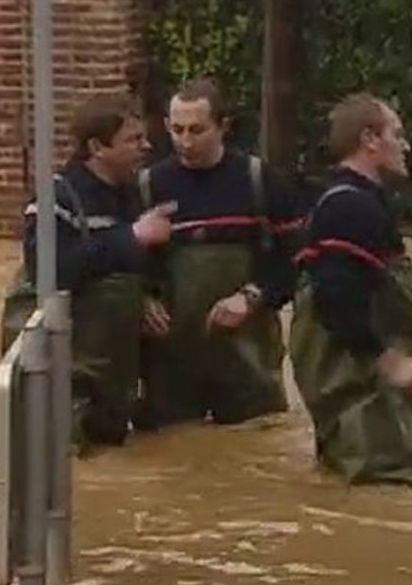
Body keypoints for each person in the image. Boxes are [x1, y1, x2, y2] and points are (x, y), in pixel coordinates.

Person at [134, 78, 305, 429]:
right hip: (171, 361)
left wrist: (253, 296)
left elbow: (298, 257)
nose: (185, 141)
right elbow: (127, 264)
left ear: (223, 126)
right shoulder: (147, 186)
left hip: (248, 357)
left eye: (197, 130)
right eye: (177, 130)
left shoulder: (260, 180)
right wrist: (143, 299)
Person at [289, 93, 412, 487]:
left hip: (359, 389)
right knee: (385, 491)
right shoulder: (350, 209)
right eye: (397, 134)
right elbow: (336, 298)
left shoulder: (362, 201)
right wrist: (392, 363)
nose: (404, 145)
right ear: (370, 139)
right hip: (359, 388)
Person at [18, 92, 176, 454]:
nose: (146, 147)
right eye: (133, 139)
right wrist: (131, 236)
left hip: (117, 376)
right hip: (71, 377)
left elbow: (139, 266)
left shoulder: (134, 192)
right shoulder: (55, 198)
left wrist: (147, 297)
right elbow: (51, 270)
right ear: (97, 147)